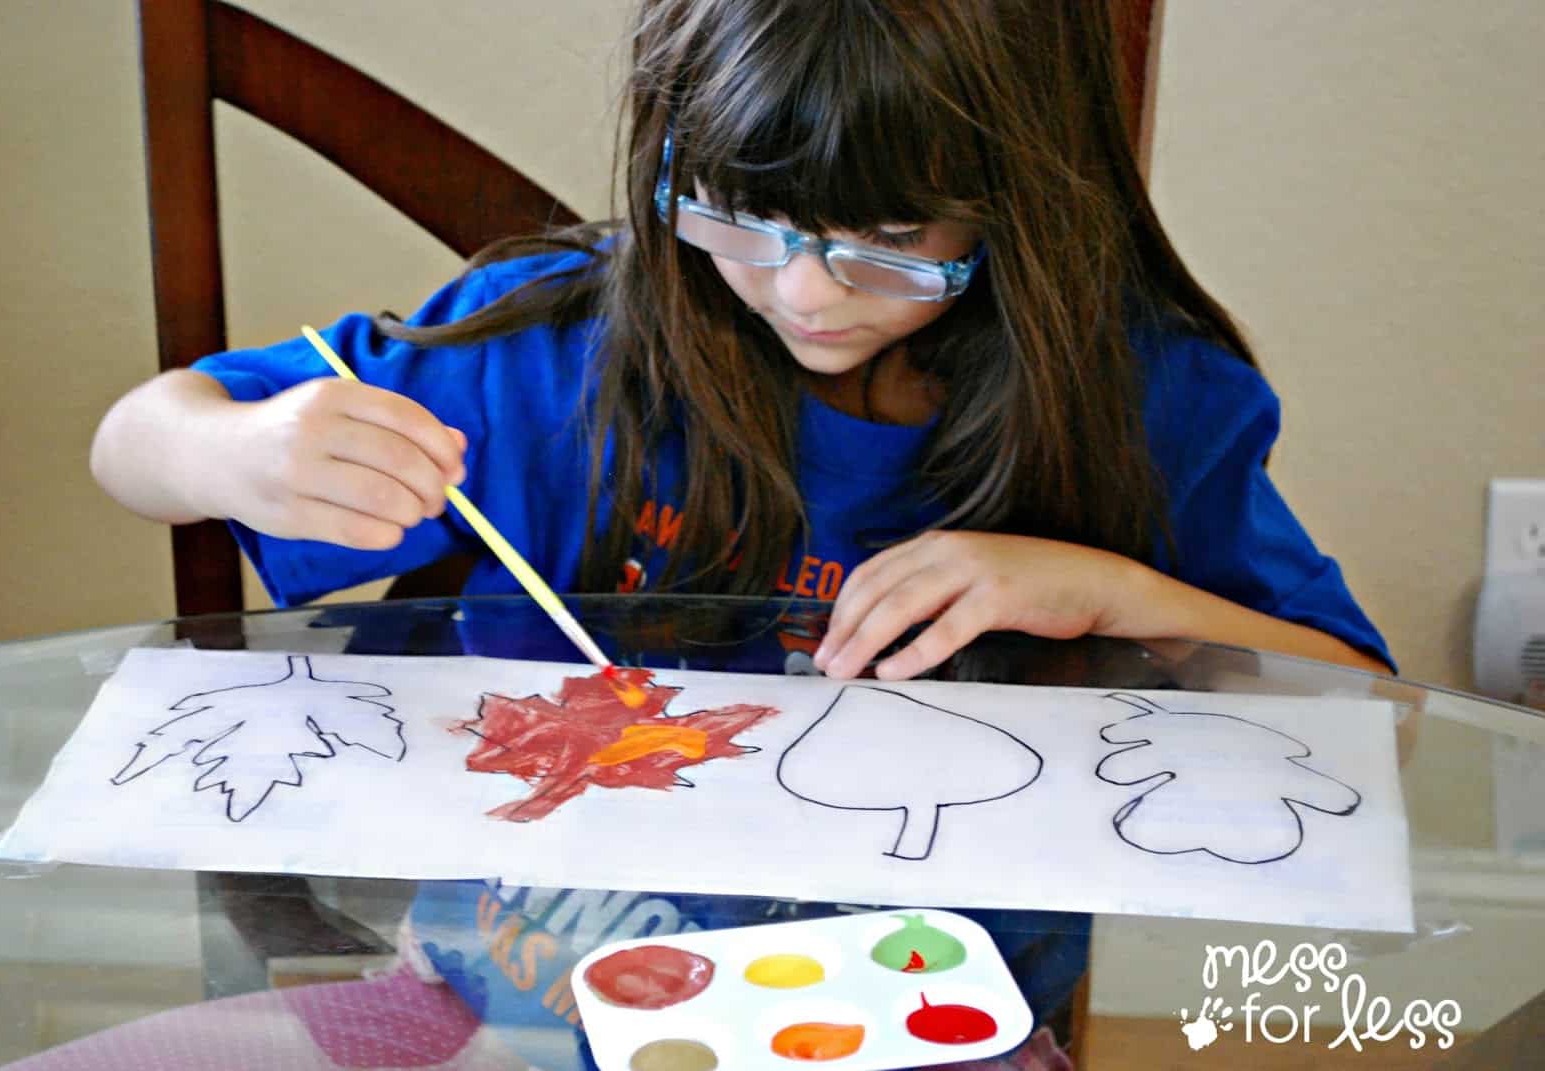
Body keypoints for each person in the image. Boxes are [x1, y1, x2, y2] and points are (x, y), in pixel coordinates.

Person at [90, 1, 1393, 1065]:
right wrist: (239, 452)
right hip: (504, 1012)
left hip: (928, 1030)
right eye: (734, 218)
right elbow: (139, 438)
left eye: (889, 242)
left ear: (1020, 197)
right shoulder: (560, 351)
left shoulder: (1139, 400)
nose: (805, 291)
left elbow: (1361, 711)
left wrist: (1108, 593)